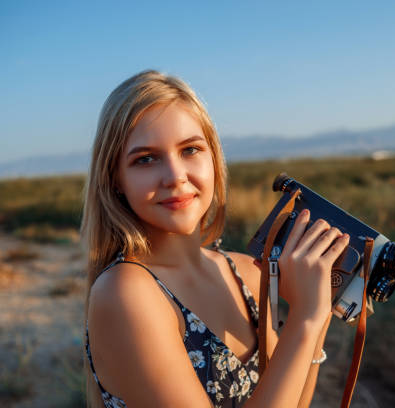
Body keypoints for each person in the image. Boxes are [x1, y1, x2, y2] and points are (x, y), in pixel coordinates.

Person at [81, 70, 350, 407]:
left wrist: (318, 310)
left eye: (190, 150)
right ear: (115, 178)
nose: (176, 176)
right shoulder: (126, 293)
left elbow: (294, 403)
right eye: (145, 159)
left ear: (214, 159)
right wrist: (305, 319)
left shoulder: (246, 273)